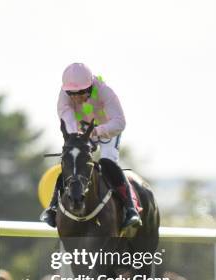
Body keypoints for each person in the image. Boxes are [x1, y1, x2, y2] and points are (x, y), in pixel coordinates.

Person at [40, 63, 141, 230]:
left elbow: (119, 123)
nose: (76, 97)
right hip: (83, 132)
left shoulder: (105, 92)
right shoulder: (64, 94)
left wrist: (96, 132)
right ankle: (52, 207)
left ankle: (130, 208)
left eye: (80, 93)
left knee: (108, 163)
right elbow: (67, 117)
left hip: (108, 130)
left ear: (91, 86)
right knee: (71, 162)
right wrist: (77, 138)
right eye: (72, 93)